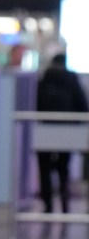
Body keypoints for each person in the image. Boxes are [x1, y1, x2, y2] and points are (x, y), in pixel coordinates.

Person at [35, 53, 88, 214]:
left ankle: (48, 204)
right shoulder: (71, 78)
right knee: (63, 167)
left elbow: (36, 102)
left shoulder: (44, 79)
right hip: (67, 130)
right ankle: (65, 202)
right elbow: (82, 103)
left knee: (44, 168)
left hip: (44, 129)